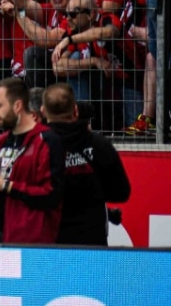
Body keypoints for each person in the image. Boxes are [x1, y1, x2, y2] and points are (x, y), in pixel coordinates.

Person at [0, 77, 65, 244]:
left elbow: (52, 195)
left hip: (26, 241)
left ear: (17, 106)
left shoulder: (47, 141)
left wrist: (7, 185)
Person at [42, 83, 131, 246]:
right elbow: (121, 192)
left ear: (43, 111)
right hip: (92, 239)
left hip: (51, 241)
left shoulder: (39, 146)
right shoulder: (99, 144)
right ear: (75, 110)